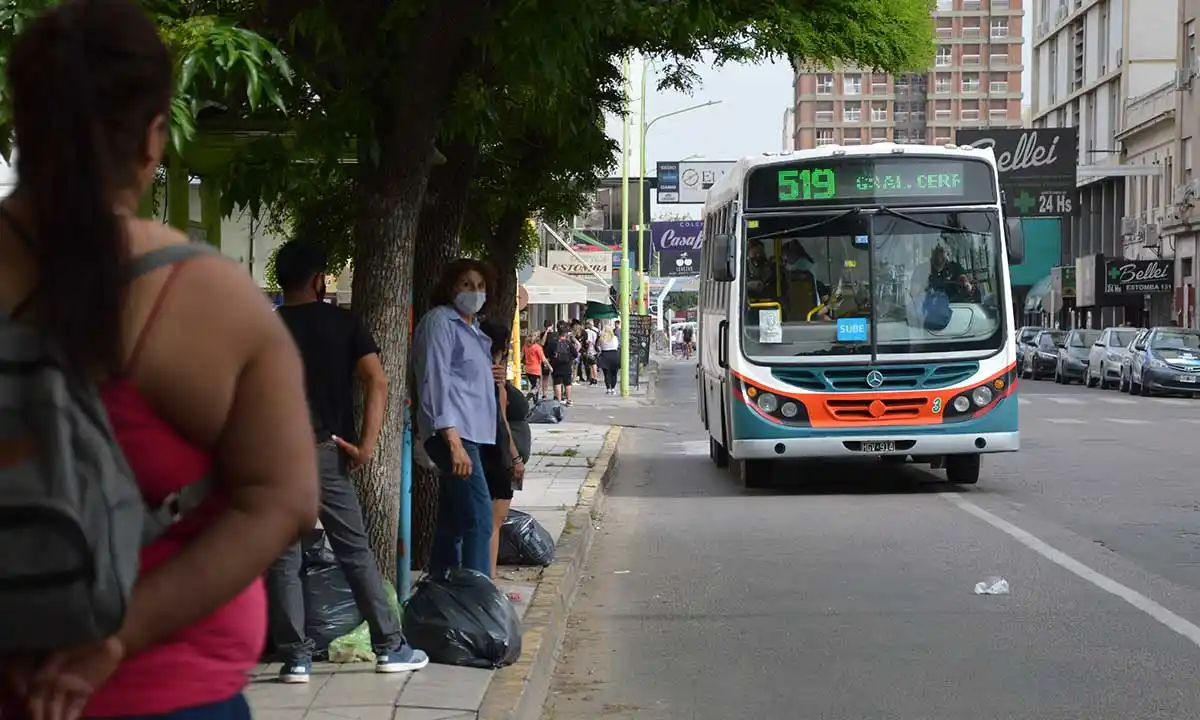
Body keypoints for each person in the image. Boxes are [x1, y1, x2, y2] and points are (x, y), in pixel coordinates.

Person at [0, 1, 320, 717]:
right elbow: (283, 501)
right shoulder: (209, 298)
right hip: (168, 692)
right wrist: (118, 637)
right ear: (153, 139)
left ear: (22, 123)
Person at [267, 241, 428, 683]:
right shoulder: (344, 324)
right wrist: (367, 445)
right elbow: (378, 381)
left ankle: (295, 658)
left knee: (284, 559)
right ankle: (389, 646)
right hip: (324, 452)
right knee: (354, 552)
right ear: (319, 280)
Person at [413, 259, 498, 580]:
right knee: (479, 518)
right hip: (454, 434)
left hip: (471, 433)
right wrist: (453, 441)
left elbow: (464, 378)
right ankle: (477, 597)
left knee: (452, 523)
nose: (475, 292)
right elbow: (434, 380)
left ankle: (442, 589)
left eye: (481, 286)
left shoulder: (472, 328)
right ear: (451, 288)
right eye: (467, 284)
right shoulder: (440, 322)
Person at [479, 319, 531, 588]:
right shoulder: (492, 379)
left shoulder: (483, 373)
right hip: (497, 456)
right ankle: (489, 577)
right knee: (494, 522)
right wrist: (515, 458)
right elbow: (501, 422)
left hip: (486, 452)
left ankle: (486, 576)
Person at [549, 323, 579, 405]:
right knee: (567, 383)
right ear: (565, 334)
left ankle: (558, 402)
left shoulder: (553, 343)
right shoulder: (568, 343)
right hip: (567, 365)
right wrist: (570, 359)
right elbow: (575, 354)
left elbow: (548, 353)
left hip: (556, 365)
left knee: (557, 382)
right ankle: (568, 400)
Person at [596, 322, 621, 394]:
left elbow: (598, 346)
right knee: (614, 373)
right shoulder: (615, 338)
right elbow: (617, 346)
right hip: (614, 355)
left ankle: (608, 389)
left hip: (605, 355)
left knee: (606, 373)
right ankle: (613, 389)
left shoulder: (601, 338)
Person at [522, 333, 549, 399]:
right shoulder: (537, 347)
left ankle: (535, 401)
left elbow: (522, 356)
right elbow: (543, 359)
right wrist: (550, 367)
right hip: (535, 370)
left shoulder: (525, 346)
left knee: (534, 385)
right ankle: (526, 398)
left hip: (528, 370)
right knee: (536, 387)